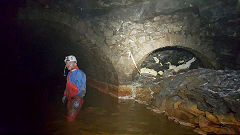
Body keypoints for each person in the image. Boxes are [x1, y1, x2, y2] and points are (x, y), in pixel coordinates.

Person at [62, 55, 86, 121]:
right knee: (69, 116)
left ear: (75, 63)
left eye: (70, 62)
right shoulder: (70, 73)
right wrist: (65, 95)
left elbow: (83, 89)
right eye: (66, 63)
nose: (67, 64)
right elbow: (68, 86)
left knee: (70, 119)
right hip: (70, 99)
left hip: (76, 100)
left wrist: (77, 99)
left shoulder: (79, 73)